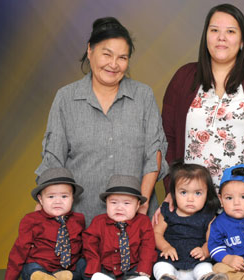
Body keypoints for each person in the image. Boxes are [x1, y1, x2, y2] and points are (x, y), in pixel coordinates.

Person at [161, 3, 244, 239]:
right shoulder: (184, 77)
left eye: (230, 31)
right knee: (189, 263)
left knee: (240, 266)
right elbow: (168, 137)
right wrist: (172, 188)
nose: (221, 38)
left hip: (241, 205)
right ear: (205, 37)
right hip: (191, 201)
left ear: (242, 41)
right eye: (214, 30)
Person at [35, 16, 167, 225]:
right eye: (107, 54)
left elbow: (154, 153)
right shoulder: (66, 98)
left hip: (135, 222)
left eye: (122, 58)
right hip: (79, 222)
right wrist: (47, 210)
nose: (113, 64)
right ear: (90, 50)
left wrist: (142, 206)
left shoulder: (143, 96)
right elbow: (53, 159)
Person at [153, 161, 227, 280]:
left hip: (196, 264)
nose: (190, 199)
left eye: (198, 193)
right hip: (171, 263)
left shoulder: (208, 215)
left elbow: (212, 240)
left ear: (207, 194)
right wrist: (166, 247)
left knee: (205, 268)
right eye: (183, 192)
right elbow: (156, 233)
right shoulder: (167, 212)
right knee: (160, 266)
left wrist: (204, 251)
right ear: (173, 193)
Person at [5, 168, 85, 280]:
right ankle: (41, 278)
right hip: (40, 264)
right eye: (51, 196)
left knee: (85, 265)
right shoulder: (32, 220)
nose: (58, 201)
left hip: (68, 267)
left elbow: (83, 246)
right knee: (31, 269)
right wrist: (11, 277)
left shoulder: (78, 220)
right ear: (41, 199)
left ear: (72, 198)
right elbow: (20, 248)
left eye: (64, 196)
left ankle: (59, 276)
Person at [82, 175, 156, 280]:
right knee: (86, 269)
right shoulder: (98, 221)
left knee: (147, 270)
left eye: (127, 203)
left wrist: (144, 269)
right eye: (114, 202)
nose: (119, 208)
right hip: (105, 267)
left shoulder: (143, 221)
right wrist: (94, 267)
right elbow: (89, 245)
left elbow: (148, 246)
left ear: (137, 206)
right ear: (106, 203)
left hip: (133, 266)